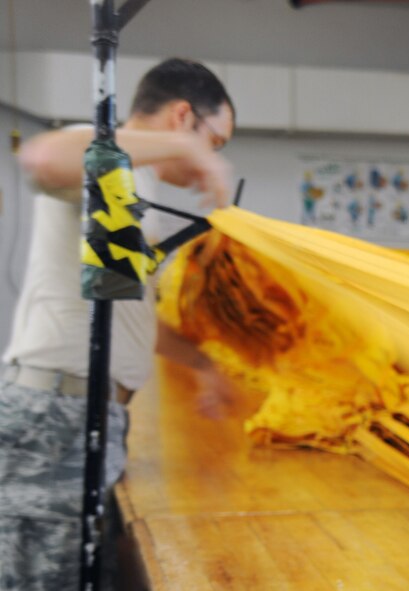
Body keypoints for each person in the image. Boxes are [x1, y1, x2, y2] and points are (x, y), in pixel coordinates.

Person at [0, 57, 235, 589]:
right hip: (53, 415)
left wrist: (202, 362)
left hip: (88, 419)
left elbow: (124, 308)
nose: (210, 157)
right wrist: (187, 150)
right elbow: (42, 157)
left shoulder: (133, 186)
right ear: (183, 116)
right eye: (213, 141)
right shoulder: (101, 148)